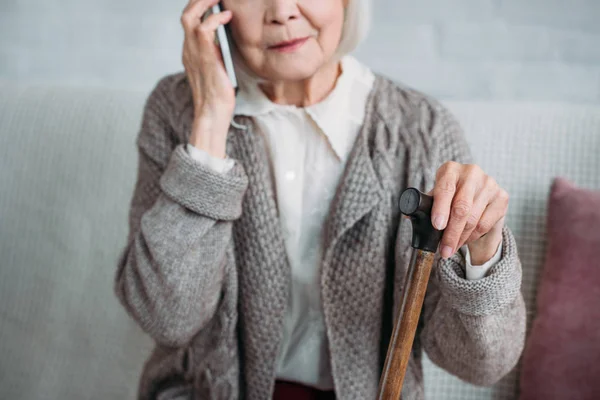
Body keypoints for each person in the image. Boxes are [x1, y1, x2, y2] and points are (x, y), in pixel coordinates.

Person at [113, 0, 527, 399]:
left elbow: (480, 366)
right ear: (213, 9)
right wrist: (208, 125)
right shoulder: (177, 110)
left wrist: (482, 254)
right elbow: (165, 317)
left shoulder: (422, 129)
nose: (282, 11)